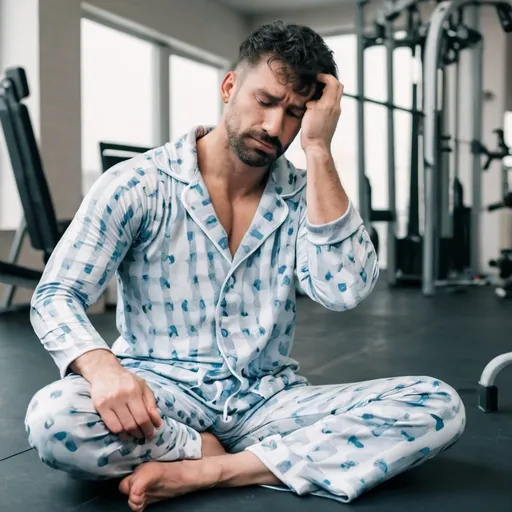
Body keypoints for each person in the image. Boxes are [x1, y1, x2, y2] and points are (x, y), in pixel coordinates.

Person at [25, 20, 465, 512]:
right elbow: (56, 294)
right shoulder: (137, 184)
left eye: (296, 114)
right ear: (230, 86)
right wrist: (102, 366)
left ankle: (216, 470)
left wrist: (318, 149)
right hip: (160, 399)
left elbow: (344, 290)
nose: (276, 127)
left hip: (268, 403)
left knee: (437, 404)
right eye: (267, 100)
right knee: (55, 417)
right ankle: (221, 454)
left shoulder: (305, 195)